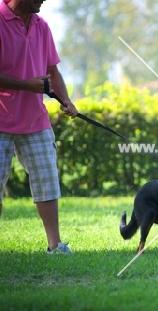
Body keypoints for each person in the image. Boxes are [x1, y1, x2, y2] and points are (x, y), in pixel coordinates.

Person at [0, 0, 78, 254]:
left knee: (47, 182)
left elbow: (52, 70)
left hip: (36, 120)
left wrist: (66, 100)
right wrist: (27, 85)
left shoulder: (42, 26)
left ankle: (55, 245)